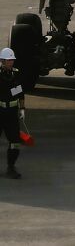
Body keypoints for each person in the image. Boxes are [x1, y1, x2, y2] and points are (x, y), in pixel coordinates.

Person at [0, 47, 25, 179]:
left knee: (15, 141)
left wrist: (22, 109)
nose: (11, 63)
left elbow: (19, 93)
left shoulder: (16, 74)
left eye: (12, 60)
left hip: (11, 113)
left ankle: (11, 167)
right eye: (8, 60)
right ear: (2, 61)